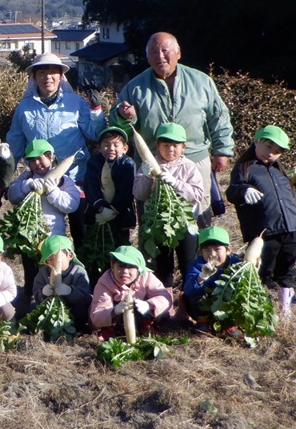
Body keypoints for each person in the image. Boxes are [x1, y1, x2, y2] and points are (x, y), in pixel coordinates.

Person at [113, 32, 234, 226]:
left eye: (165, 50)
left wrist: (222, 150)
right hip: (153, 165)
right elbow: (120, 132)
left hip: (195, 160)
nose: (160, 56)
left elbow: (218, 117)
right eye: (154, 52)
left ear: (178, 53)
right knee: (154, 222)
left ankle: (198, 246)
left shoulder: (201, 82)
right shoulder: (134, 88)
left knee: (198, 219)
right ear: (147, 57)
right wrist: (125, 117)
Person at [225, 125, 296, 319]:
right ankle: (260, 310)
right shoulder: (245, 168)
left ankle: (285, 309)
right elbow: (232, 191)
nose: (271, 153)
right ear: (256, 142)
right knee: (263, 270)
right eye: (268, 146)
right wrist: (244, 190)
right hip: (265, 231)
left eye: (277, 151)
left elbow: (290, 199)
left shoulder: (279, 171)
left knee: (287, 267)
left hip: (290, 228)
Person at [6, 53, 104, 185]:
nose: (48, 77)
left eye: (53, 72)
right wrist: (4, 179)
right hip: (40, 180)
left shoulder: (76, 102)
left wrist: (96, 109)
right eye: (42, 72)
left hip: (74, 176)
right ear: (34, 77)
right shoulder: (24, 107)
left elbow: (95, 134)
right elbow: (15, 145)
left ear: (60, 76)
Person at [133, 122, 204, 287]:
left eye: (175, 145)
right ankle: (165, 298)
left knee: (188, 263)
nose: (170, 149)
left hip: (184, 224)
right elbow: (139, 194)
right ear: (157, 146)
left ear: (183, 147)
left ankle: (189, 297)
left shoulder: (189, 167)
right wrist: (147, 176)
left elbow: (197, 195)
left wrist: (176, 183)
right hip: (158, 224)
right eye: (165, 145)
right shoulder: (148, 165)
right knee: (162, 267)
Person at [6, 139, 81, 292]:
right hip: (29, 234)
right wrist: (27, 186)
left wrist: (54, 192)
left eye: (40, 158)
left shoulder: (63, 180)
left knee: (54, 271)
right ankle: (31, 297)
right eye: (32, 160)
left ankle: (55, 297)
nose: (37, 163)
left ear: (51, 157)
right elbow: (12, 196)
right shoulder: (25, 177)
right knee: (31, 272)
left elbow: (72, 204)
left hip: (53, 234)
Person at [89, 246, 173, 339]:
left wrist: (148, 305)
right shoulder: (105, 283)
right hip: (116, 323)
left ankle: (145, 329)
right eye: (120, 266)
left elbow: (165, 298)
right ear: (112, 266)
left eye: (130, 268)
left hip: (143, 317)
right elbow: (96, 316)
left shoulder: (147, 277)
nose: (125, 271)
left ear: (139, 269)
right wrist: (114, 311)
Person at [82, 126, 137, 251]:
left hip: (120, 213)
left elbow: (127, 189)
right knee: (97, 246)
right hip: (97, 213)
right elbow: (90, 186)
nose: (111, 148)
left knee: (119, 244)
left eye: (116, 145)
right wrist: (100, 207)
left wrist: (113, 209)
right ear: (99, 147)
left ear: (125, 148)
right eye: (106, 145)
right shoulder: (93, 162)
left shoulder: (127, 164)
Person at [181, 226, 243, 331]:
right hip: (206, 306)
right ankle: (203, 322)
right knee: (191, 297)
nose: (212, 254)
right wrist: (202, 276)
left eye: (217, 249)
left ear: (228, 250)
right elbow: (188, 290)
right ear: (200, 251)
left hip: (227, 304)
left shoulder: (236, 264)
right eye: (207, 250)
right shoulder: (197, 265)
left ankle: (229, 324)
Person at [29, 235, 91, 331]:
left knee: (80, 312)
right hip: (50, 308)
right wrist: (42, 292)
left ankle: (77, 330)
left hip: (72, 307)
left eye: (57, 258)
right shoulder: (43, 272)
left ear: (70, 256)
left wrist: (70, 291)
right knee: (31, 309)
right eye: (50, 259)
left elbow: (85, 297)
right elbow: (36, 294)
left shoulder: (79, 271)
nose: (54, 262)